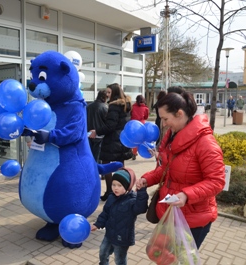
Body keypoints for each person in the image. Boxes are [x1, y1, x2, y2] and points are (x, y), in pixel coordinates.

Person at [136, 91, 225, 249]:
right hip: (171, 214)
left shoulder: (206, 144)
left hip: (193, 219)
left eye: (165, 119)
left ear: (179, 114)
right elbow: (165, 169)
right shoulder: (173, 136)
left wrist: (186, 194)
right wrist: (147, 179)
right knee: (167, 258)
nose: (162, 124)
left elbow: (217, 181)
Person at [91, 168, 148, 265]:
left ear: (127, 186)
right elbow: (105, 213)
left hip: (122, 238)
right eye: (113, 185)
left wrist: (141, 192)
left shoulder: (132, 201)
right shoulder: (111, 197)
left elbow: (141, 208)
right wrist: (97, 224)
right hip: (109, 234)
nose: (115, 188)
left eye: (119, 185)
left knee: (119, 259)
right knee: (103, 252)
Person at [89, 83, 133, 201]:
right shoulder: (126, 105)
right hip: (123, 139)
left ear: (114, 93)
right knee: (120, 164)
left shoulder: (114, 106)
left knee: (106, 164)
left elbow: (110, 126)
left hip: (112, 139)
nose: (107, 95)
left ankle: (110, 191)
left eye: (109, 92)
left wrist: (97, 131)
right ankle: (122, 190)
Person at [86, 90, 108, 162]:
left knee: (90, 156)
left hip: (89, 134)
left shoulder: (88, 107)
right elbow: (107, 122)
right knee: (98, 158)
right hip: (100, 135)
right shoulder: (105, 107)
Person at [130, 95, 149, 160]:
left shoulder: (132, 107)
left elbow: (130, 114)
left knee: (134, 139)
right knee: (141, 139)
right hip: (141, 125)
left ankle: (134, 152)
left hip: (133, 124)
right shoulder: (146, 108)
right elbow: (146, 117)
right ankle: (140, 151)